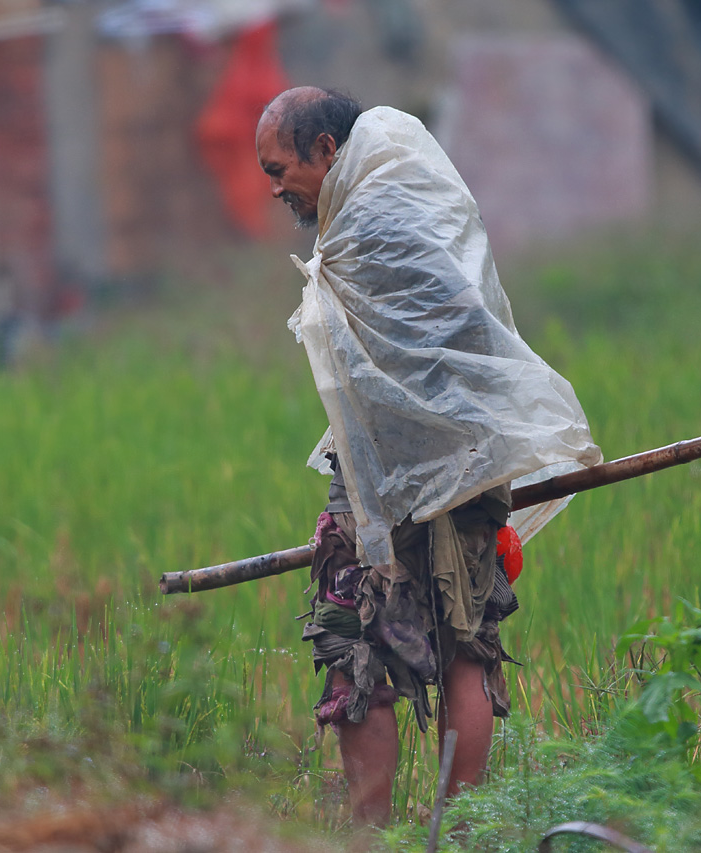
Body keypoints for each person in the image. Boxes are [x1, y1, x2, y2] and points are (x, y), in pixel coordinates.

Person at [255, 87, 601, 826]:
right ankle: (456, 834)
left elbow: (418, 351)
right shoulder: (406, 196)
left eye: (280, 169)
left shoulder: (371, 223)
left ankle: (375, 836)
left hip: (393, 474)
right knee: (466, 647)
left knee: (356, 645)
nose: (276, 188)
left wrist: (414, 459)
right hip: (472, 463)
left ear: (325, 150)